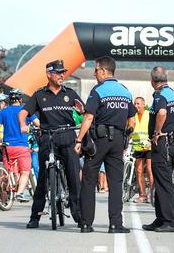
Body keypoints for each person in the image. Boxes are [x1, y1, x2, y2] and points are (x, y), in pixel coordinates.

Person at [74, 56, 136, 233]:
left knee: (88, 179)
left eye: (95, 70)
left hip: (98, 140)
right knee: (116, 182)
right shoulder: (125, 91)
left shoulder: (98, 90)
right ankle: (116, 224)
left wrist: (79, 140)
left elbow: (88, 117)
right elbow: (131, 121)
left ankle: (86, 223)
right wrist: (126, 138)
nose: (94, 74)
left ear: (103, 70)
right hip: (118, 140)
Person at [19, 59, 84, 229]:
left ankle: (79, 217)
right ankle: (35, 217)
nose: (62, 75)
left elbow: (84, 111)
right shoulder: (39, 95)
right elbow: (24, 112)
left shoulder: (70, 93)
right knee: (42, 180)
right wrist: (23, 125)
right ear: (49, 74)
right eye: (59, 72)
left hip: (68, 136)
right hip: (47, 138)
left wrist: (81, 110)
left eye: (63, 72)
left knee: (74, 178)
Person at [142, 66, 174, 233]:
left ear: (152, 81)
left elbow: (162, 113)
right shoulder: (173, 93)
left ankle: (171, 221)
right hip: (172, 142)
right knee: (160, 181)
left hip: (163, 143)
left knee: (164, 183)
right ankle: (161, 218)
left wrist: (157, 132)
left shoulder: (160, 95)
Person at [0, 88, 39, 202]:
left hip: (7, 146)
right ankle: (20, 193)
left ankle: (4, 200)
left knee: (7, 172)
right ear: (20, 99)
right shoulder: (25, 110)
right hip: (21, 146)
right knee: (25, 171)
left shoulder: (3, 112)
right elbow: (38, 124)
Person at [131, 96, 153, 203]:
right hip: (137, 146)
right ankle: (142, 195)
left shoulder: (149, 115)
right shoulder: (132, 116)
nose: (136, 106)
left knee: (149, 170)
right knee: (139, 171)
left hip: (149, 146)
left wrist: (151, 141)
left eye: (138, 104)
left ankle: (153, 195)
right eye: (135, 104)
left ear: (143, 105)